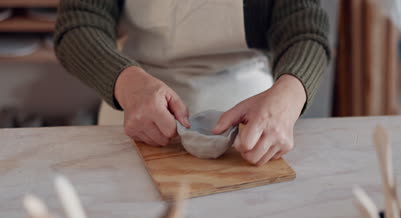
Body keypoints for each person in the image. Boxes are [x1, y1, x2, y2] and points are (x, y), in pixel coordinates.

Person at [54, 0, 330, 166]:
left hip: (250, 113)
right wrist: (126, 83)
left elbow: (305, 31)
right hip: (136, 98)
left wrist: (288, 96)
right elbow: (79, 24)